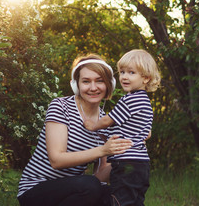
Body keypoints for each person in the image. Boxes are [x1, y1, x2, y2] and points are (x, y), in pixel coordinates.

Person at [17, 54, 133, 206]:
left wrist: (127, 149)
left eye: (99, 81)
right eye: (86, 81)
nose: (93, 87)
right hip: (35, 190)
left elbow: (99, 176)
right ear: (76, 84)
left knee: (115, 195)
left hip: (73, 192)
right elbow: (56, 160)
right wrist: (103, 150)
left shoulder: (106, 122)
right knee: (89, 186)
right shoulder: (60, 106)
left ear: (109, 84)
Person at [84, 49, 161, 206]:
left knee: (120, 201)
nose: (124, 77)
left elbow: (107, 120)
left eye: (131, 72)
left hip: (127, 162)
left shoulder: (130, 100)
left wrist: (93, 125)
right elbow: (147, 134)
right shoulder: (145, 102)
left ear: (146, 78)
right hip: (141, 164)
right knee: (134, 201)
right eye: (122, 72)